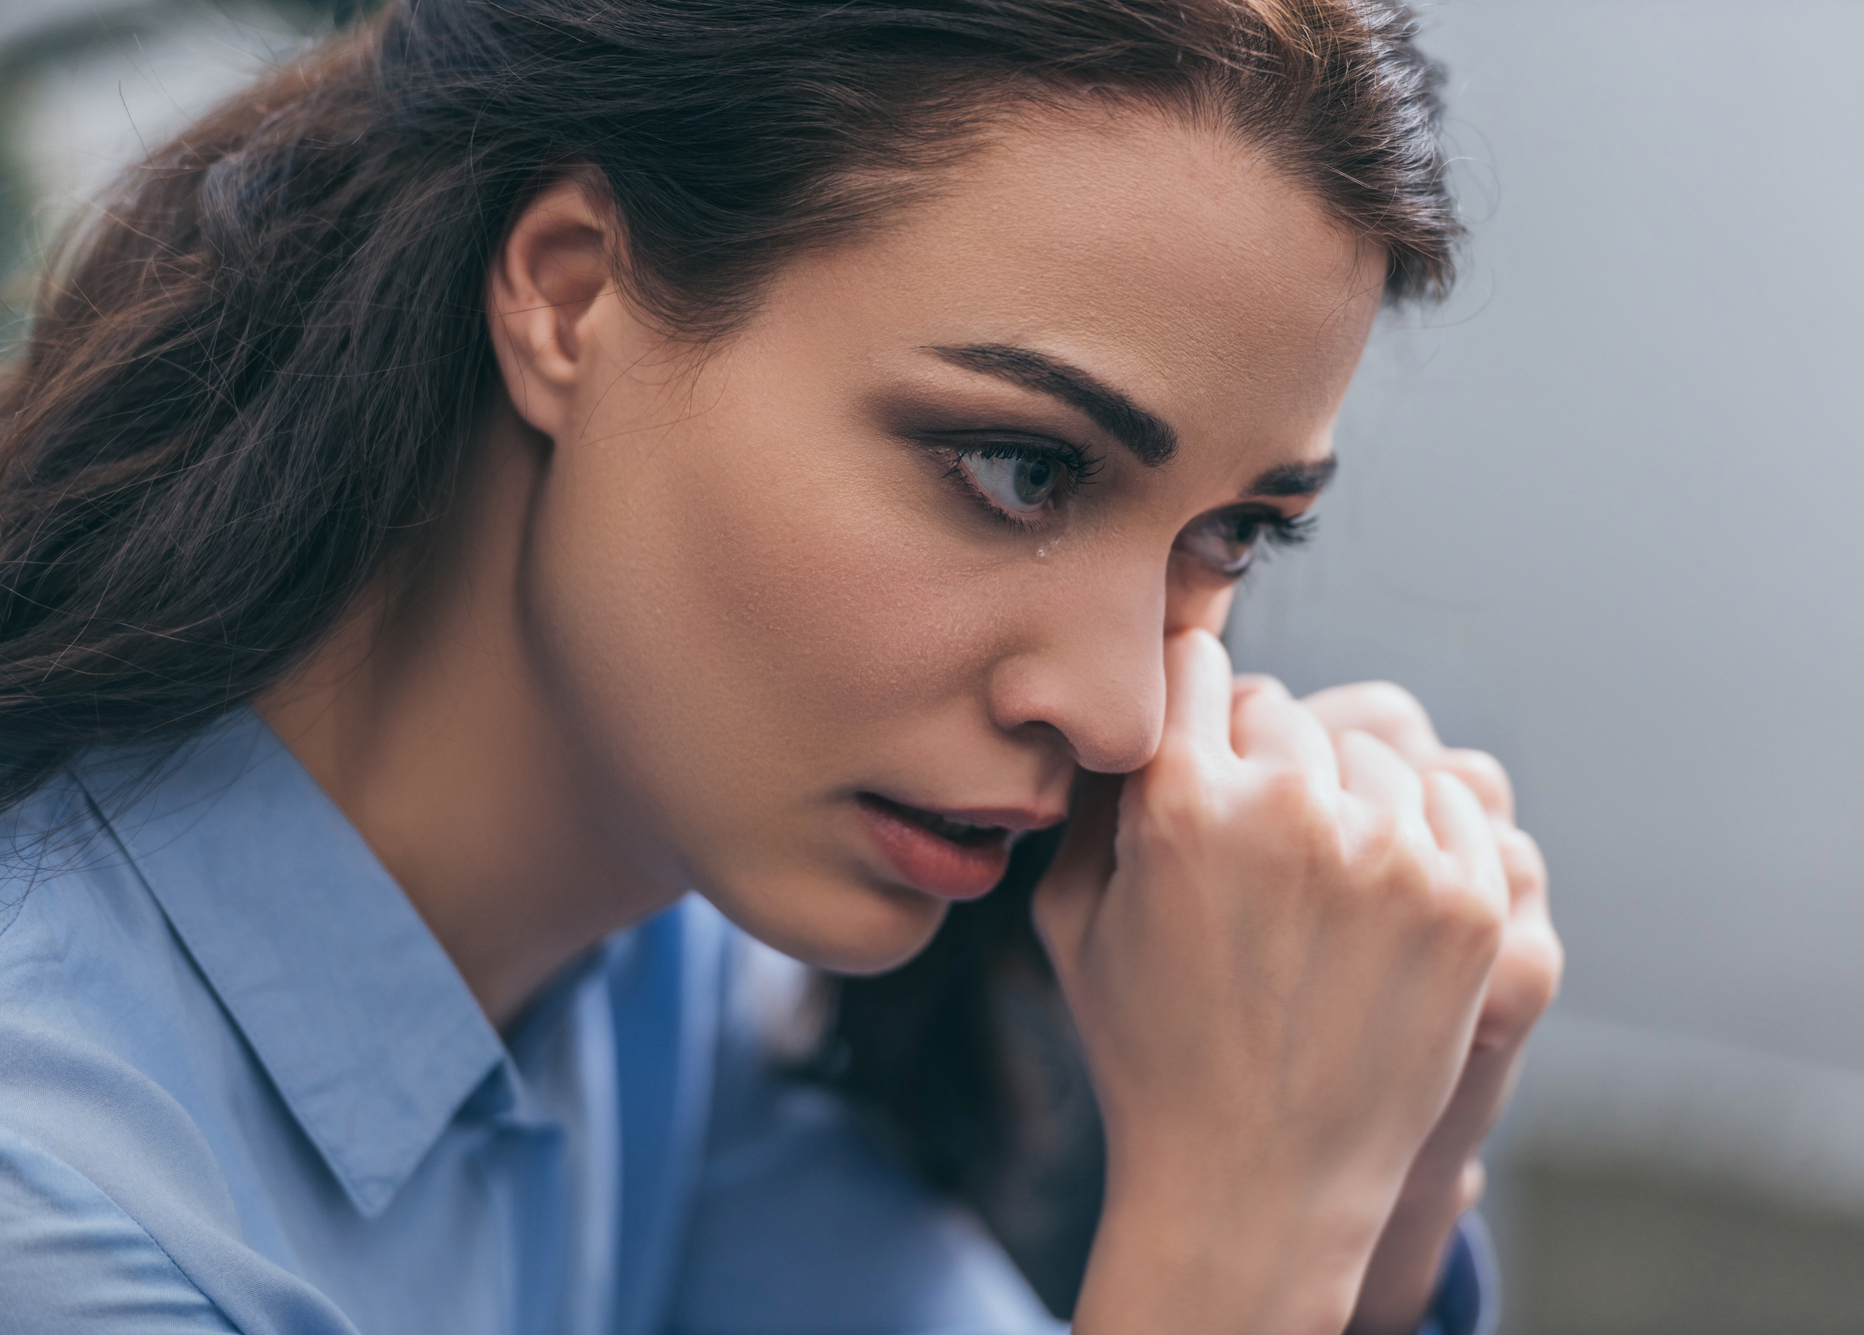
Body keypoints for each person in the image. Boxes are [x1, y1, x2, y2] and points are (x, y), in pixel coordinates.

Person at [0, 0, 1562, 1330]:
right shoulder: (58, 1196)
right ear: (570, 292)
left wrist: (1382, 1179)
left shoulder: (658, 969)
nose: (1124, 711)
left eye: (1232, 536)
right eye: (1020, 471)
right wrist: (1242, 1236)